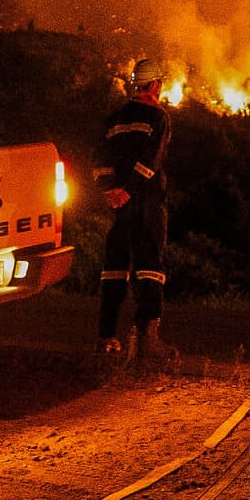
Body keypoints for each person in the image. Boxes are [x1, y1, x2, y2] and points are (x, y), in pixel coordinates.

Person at [94, 57, 175, 362]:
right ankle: (147, 339)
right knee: (150, 265)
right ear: (154, 85)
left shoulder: (114, 119)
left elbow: (99, 160)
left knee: (114, 267)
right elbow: (152, 160)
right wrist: (129, 189)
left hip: (119, 204)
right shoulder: (158, 117)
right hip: (147, 201)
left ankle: (106, 336)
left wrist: (110, 190)